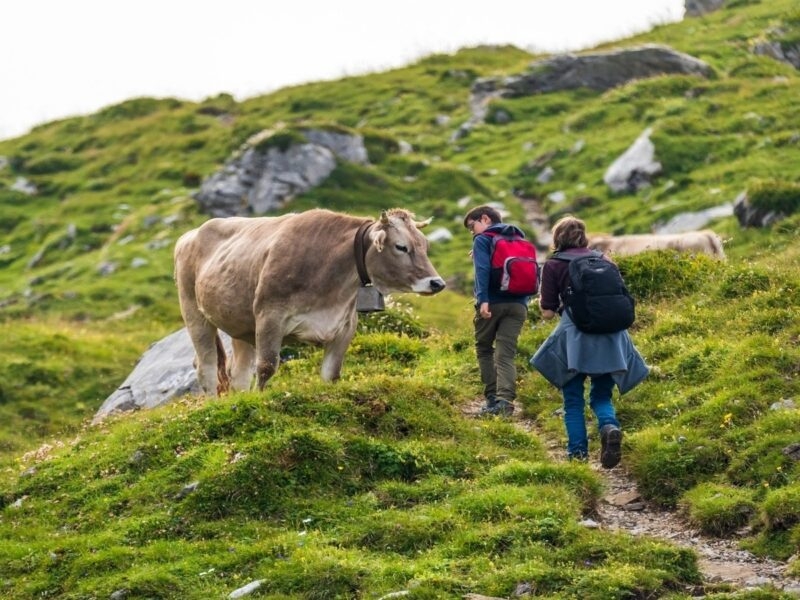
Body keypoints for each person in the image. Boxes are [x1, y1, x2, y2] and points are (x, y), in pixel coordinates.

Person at [530, 216, 649, 467]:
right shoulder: (604, 260)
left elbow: (548, 311)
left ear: (557, 238)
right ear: (584, 236)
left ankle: (578, 457)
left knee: (573, 400)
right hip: (611, 337)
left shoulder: (553, 265)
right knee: (601, 396)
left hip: (575, 339)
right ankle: (609, 426)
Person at [463, 205, 531, 416]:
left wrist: (483, 299)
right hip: (519, 305)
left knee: (484, 348)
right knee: (506, 354)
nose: (471, 232)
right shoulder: (520, 239)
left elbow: (482, 270)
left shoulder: (483, 240)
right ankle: (506, 402)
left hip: (492, 303)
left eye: (471, 226)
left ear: (484, 219)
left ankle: (492, 398)